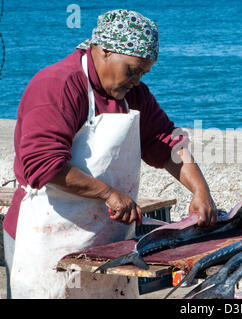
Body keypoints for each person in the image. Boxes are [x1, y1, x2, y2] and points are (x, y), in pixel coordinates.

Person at [2, 9, 217, 299]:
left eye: (144, 72)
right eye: (132, 70)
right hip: (44, 238)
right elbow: (44, 166)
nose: (138, 80)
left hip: (106, 241)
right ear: (103, 51)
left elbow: (166, 143)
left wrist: (200, 190)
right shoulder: (58, 85)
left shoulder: (134, 94)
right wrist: (110, 194)